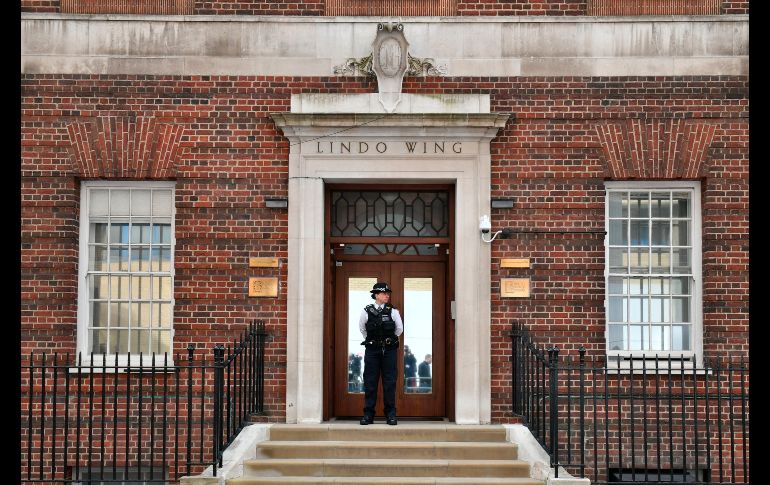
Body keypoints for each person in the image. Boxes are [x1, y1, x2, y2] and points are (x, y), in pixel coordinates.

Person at [358, 282, 403, 425]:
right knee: (370, 382)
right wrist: (374, 342)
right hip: (372, 350)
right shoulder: (366, 311)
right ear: (376, 295)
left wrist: (386, 341)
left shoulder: (393, 311)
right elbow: (362, 329)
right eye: (384, 293)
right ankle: (368, 415)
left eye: (388, 293)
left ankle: (391, 414)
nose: (387, 295)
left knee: (389, 382)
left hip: (389, 350)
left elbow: (399, 329)